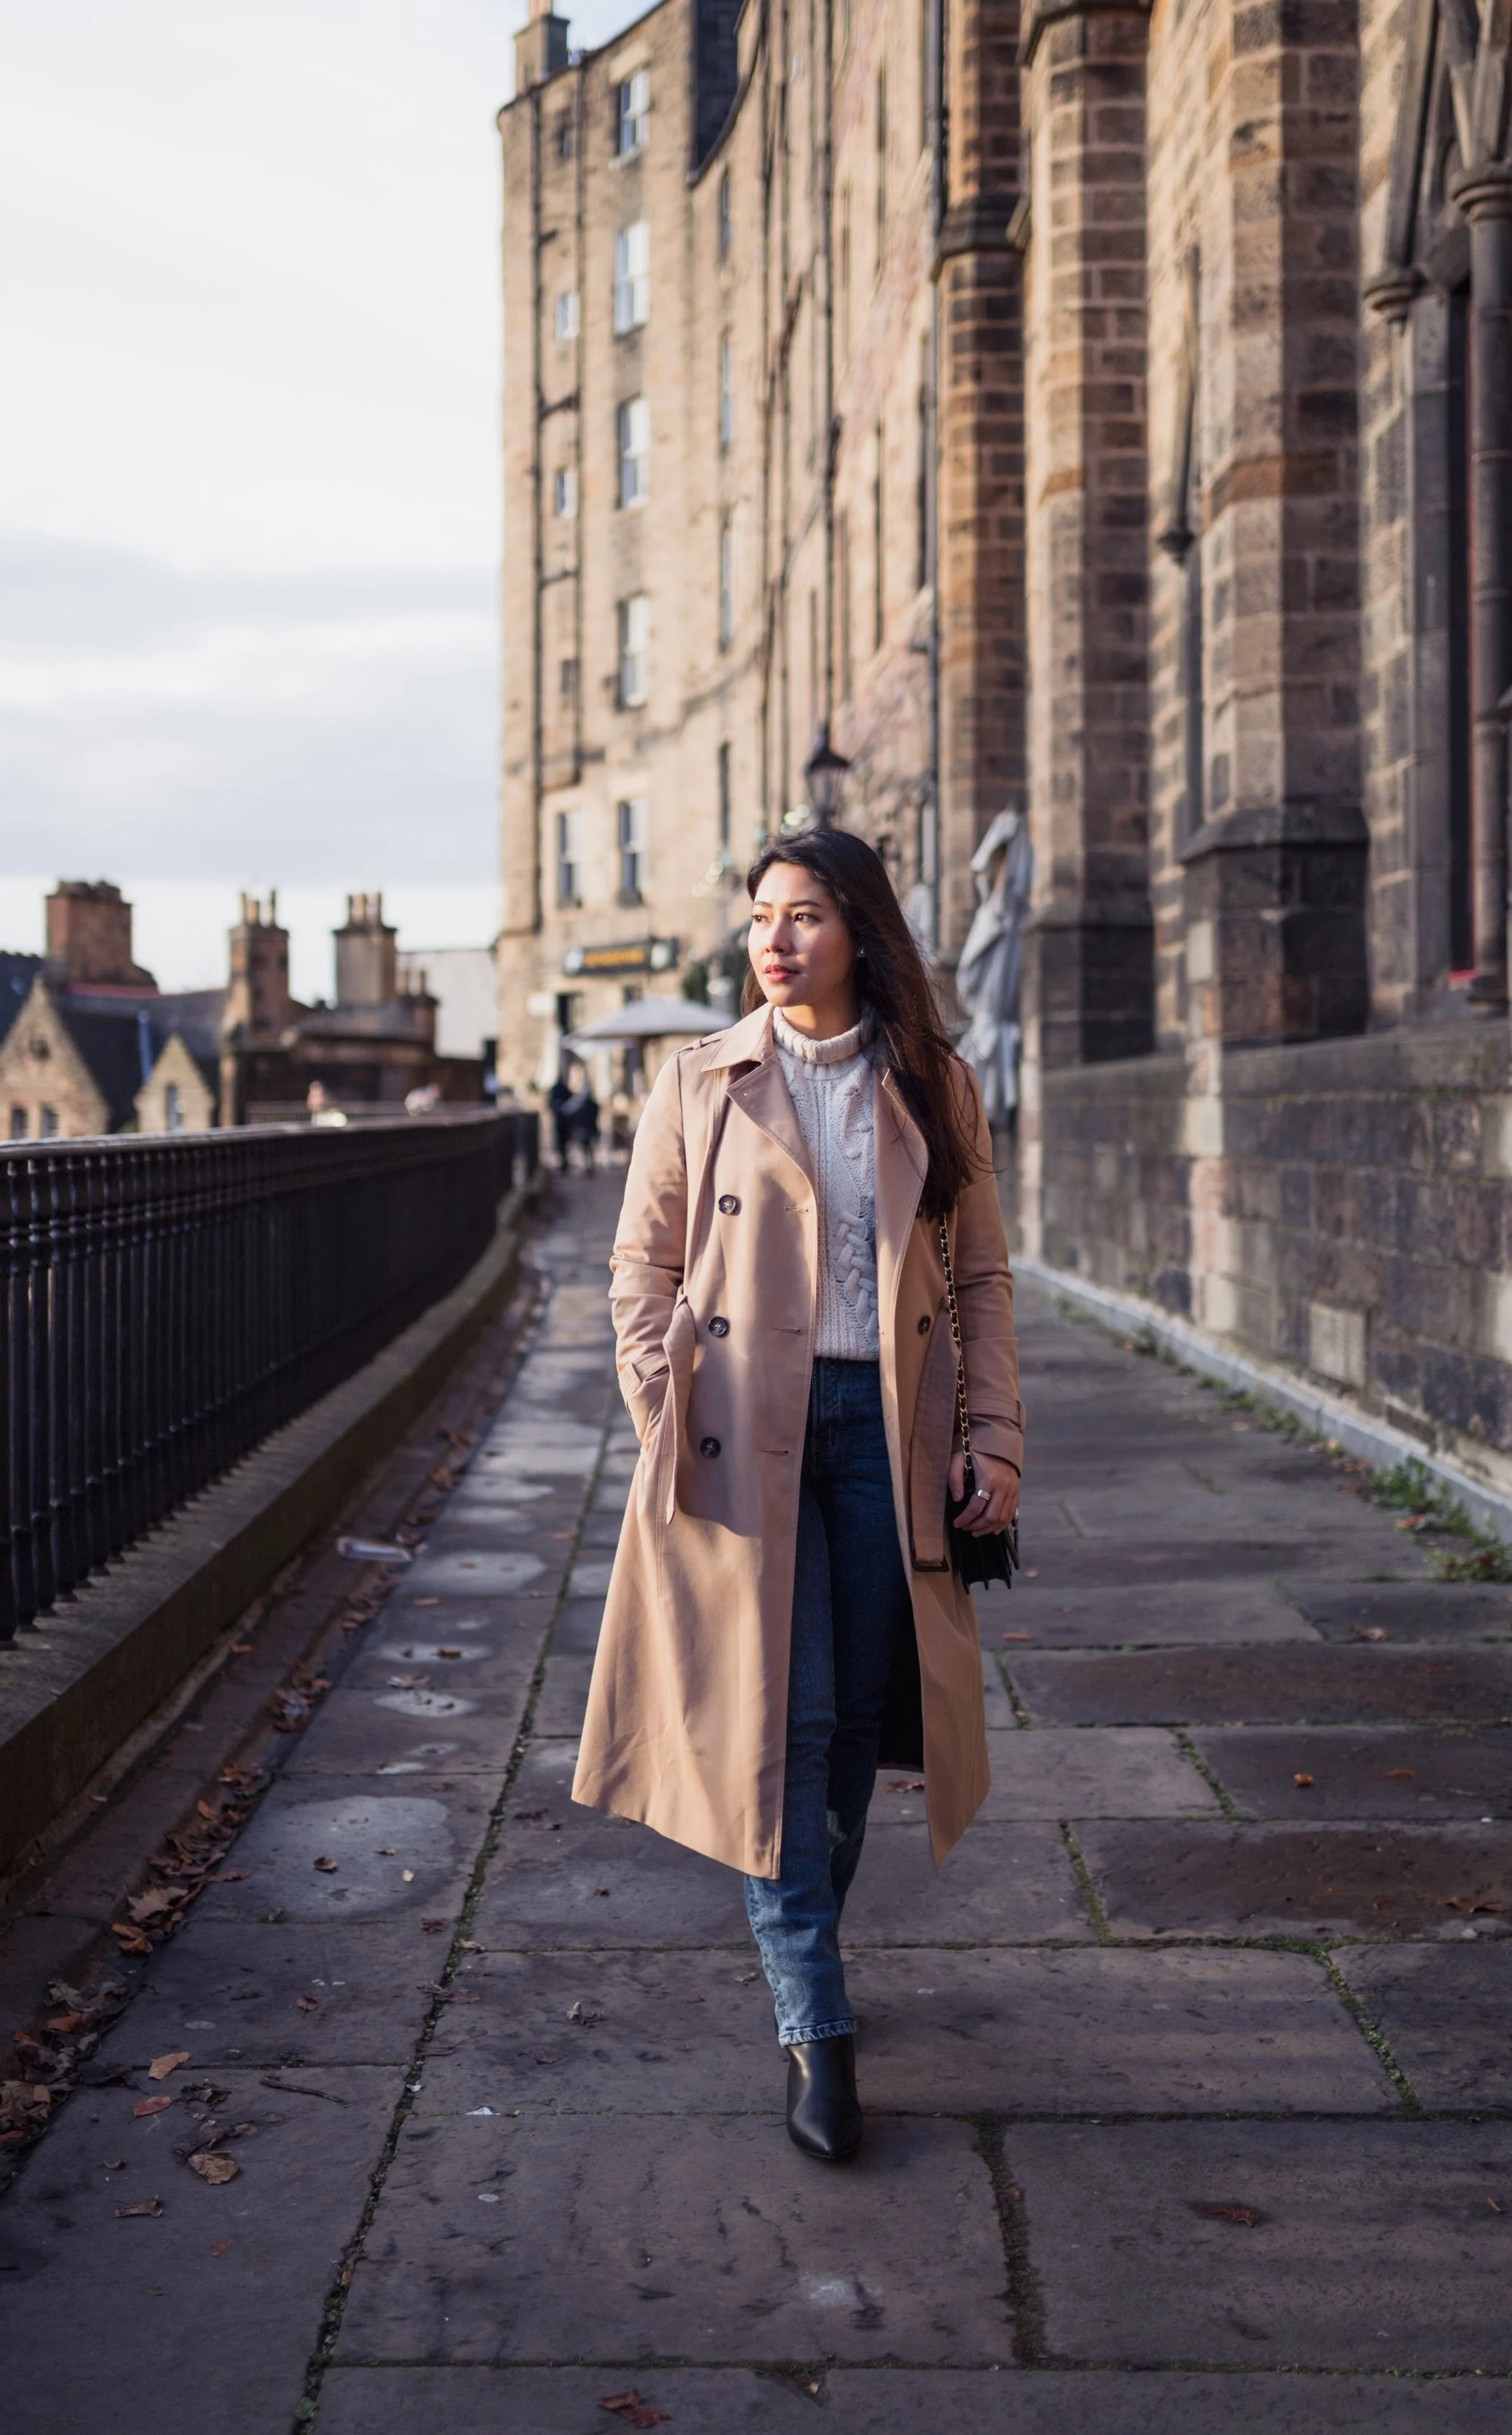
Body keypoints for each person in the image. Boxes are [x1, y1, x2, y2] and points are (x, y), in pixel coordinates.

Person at [574, 828, 1022, 2161]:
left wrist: (991, 1435)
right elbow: (638, 1273)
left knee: (851, 1738)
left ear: (862, 932)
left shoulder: (934, 1082)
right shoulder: (698, 1078)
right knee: (789, 1716)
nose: (773, 939)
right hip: (746, 1440)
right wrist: (671, 1413)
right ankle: (814, 2024)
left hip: (889, 1434)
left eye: (805, 915)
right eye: (761, 916)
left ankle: (804, 1960)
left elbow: (984, 1277)